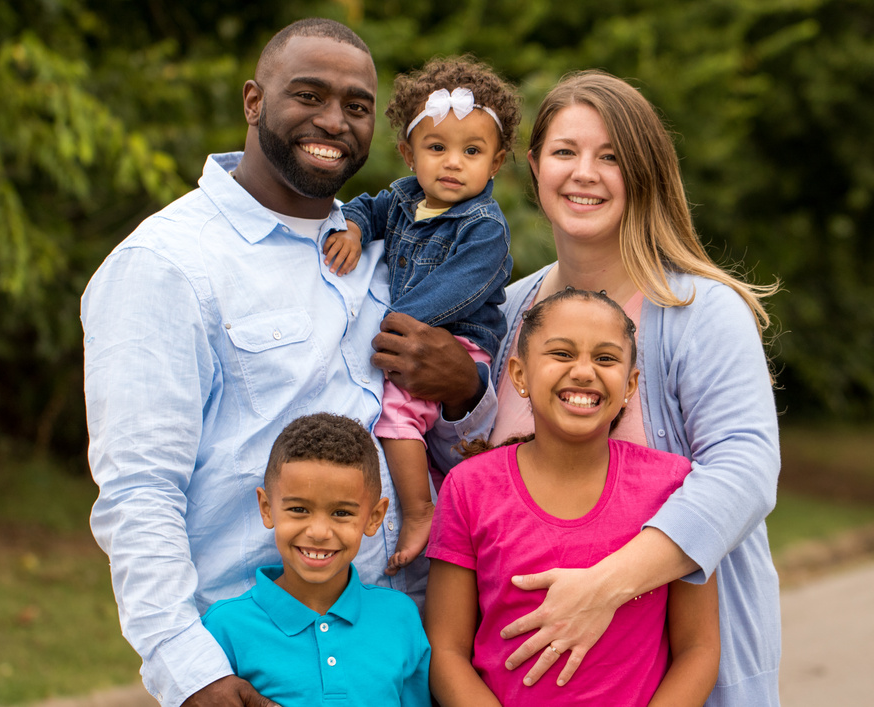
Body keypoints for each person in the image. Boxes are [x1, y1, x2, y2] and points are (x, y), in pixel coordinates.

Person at [81, 18, 482, 707]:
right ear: (252, 101)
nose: (333, 120)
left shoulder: (394, 256)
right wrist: (191, 671)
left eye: (356, 106)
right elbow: (139, 490)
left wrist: (464, 388)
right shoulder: (167, 264)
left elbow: (444, 438)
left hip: (398, 653)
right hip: (251, 665)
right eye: (308, 95)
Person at [430, 70, 782, 705]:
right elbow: (472, 489)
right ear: (535, 167)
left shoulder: (699, 311)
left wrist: (603, 587)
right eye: (565, 152)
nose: (584, 173)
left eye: (611, 157)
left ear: (643, 173)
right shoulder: (504, 315)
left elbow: (746, 470)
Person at [425, 288, 720, 706]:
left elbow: (699, 649)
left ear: (631, 383)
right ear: (520, 375)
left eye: (605, 358)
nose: (584, 372)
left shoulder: (672, 486)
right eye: (562, 354)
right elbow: (446, 649)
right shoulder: (469, 488)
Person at [322, 56, 519, 574]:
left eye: (471, 151)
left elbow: (456, 290)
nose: (453, 163)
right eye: (437, 148)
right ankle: (437, 498)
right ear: (410, 154)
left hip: (456, 340)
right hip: (413, 336)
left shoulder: (484, 227)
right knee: (421, 436)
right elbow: (365, 205)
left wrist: (390, 322)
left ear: (496, 163)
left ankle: (418, 512)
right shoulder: (404, 199)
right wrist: (357, 231)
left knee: (397, 415)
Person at [201, 413, 430, 706]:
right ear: (267, 508)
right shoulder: (224, 627)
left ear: (374, 518)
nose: (319, 532)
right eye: (299, 509)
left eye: (341, 513)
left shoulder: (400, 617)